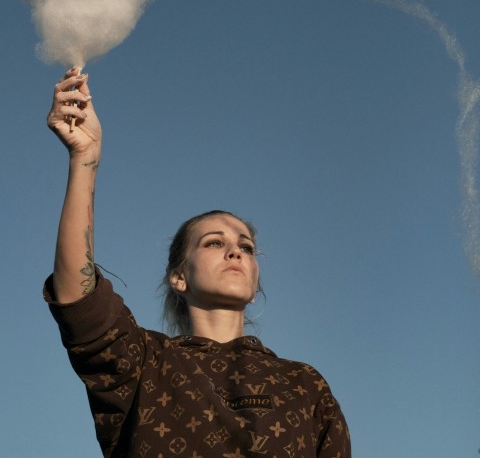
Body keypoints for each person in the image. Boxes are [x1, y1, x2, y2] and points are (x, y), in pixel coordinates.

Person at [44, 67, 351, 458]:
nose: (235, 251)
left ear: (256, 285)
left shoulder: (305, 385)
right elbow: (79, 301)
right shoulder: (143, 364)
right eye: (213, 243)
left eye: (247, 246)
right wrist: (84, 158)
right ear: (179, 277)